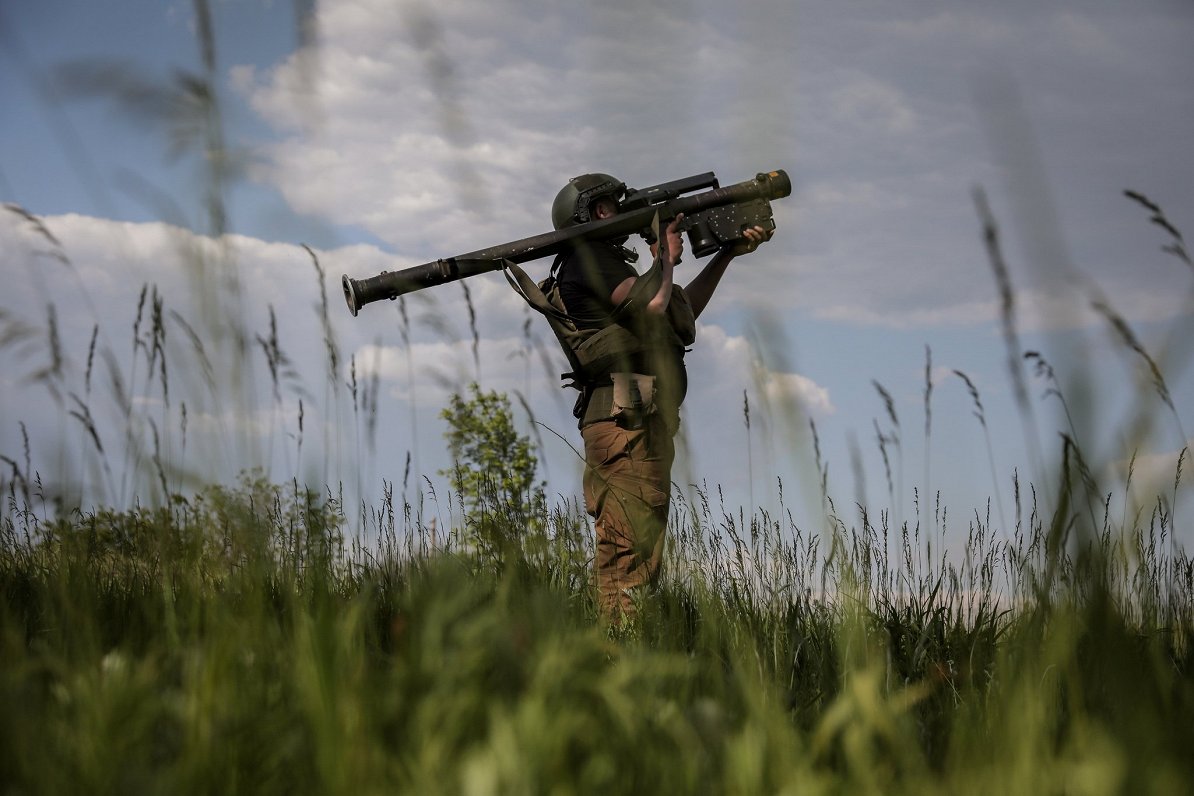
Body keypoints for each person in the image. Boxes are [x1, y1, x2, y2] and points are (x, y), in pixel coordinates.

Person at [544, 172, 774, 620]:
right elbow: (651, 308)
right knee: (628, 555)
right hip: (624, 423)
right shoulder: (588, 256)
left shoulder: (602, 263)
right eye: (617, 202)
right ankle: (617, 662)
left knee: (635, 551)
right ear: (600, 211)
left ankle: (621, 656)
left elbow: (676, 309)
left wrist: (726, 253)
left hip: (633, 421)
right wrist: (665, 259)